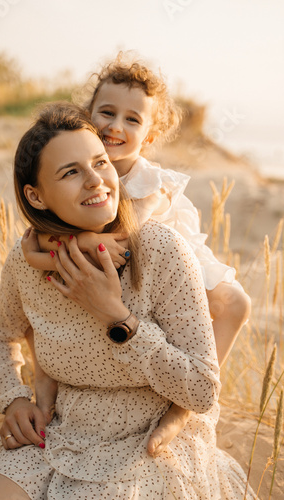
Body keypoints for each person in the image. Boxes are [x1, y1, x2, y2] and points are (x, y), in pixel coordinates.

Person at [0, 102, 256, 499]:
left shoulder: (162, 250)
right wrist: (14, 399)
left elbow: (201, 390)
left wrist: (116, 316)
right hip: (58, 432)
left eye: (100, 162)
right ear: (36, 197)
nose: (95, 180)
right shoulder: (28, 261)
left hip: (145, 441)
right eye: (71, 172)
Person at [21, 53, 251, 457]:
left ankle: (183, 409)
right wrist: (37, 251)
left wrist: (41, 256)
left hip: (173, 254)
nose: (115, 126)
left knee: (234, 302)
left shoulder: (148, 183)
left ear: (149, 136)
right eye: (107, 113)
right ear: (88, 115)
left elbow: (120, 240)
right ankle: (49, 388)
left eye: (133, 120)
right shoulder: (74, 168)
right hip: (128, 265)